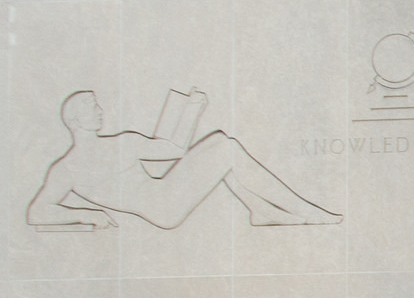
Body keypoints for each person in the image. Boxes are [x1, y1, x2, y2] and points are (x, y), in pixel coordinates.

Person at [27, 90, 339, 231]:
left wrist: (85, 213)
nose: (100, 112)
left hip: (162, 198)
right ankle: (308, 212)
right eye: (92, 108)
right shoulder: (102, 153)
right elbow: (36, 213)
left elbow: (171, 149)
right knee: (226, 150)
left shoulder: (78, 162)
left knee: (219, 143)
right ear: (75, 120)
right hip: (166, 206)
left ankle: (260, 209)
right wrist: (86, 215)